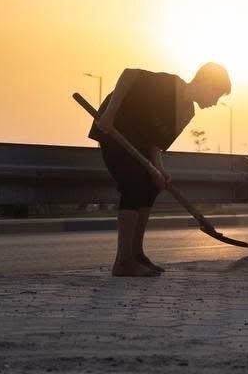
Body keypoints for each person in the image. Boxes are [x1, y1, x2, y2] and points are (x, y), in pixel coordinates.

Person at [88, 63, 232, 277]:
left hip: (140, 144)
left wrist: (160, 170)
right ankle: (123, 261)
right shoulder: (169, 84)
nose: (214, 103)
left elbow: (156, 144)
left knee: (151, 185)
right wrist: (109, 113)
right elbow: (129, 74)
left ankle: (136, 254)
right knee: (133, 185)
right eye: (216, 95)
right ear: (206, 83)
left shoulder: (186, 113)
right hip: (114, 130)